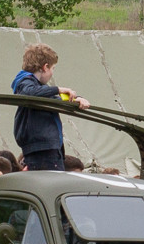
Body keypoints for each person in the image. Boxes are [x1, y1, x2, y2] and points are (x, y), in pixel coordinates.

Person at [11, 43, 90, 172]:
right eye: (53, 68)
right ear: (45, 67)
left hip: (49, 147)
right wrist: (59, 89)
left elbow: (55, 100)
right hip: (42, 148)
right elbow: (30, 93)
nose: (52, 73)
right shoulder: (25, 83)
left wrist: (76, 99)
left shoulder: (41, 90)